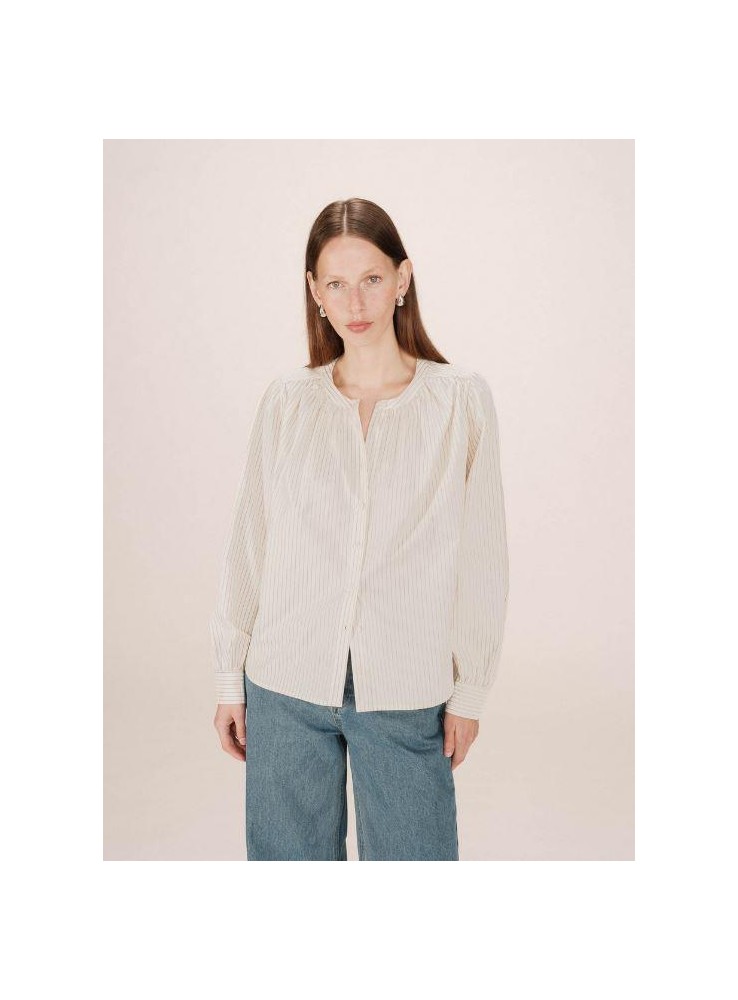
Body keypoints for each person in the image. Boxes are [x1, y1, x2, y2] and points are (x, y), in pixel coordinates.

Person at [210, 197, 509, 860]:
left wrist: (471, 690)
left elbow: (483, 557)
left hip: (406, 686)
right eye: (337, 283)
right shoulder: (288, 402)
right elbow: (249, 543)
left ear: (403, 277)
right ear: (314, 292)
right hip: (284, 685)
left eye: (372, 278)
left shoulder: (460, 401)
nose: (356, 302)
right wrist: (230, 676)